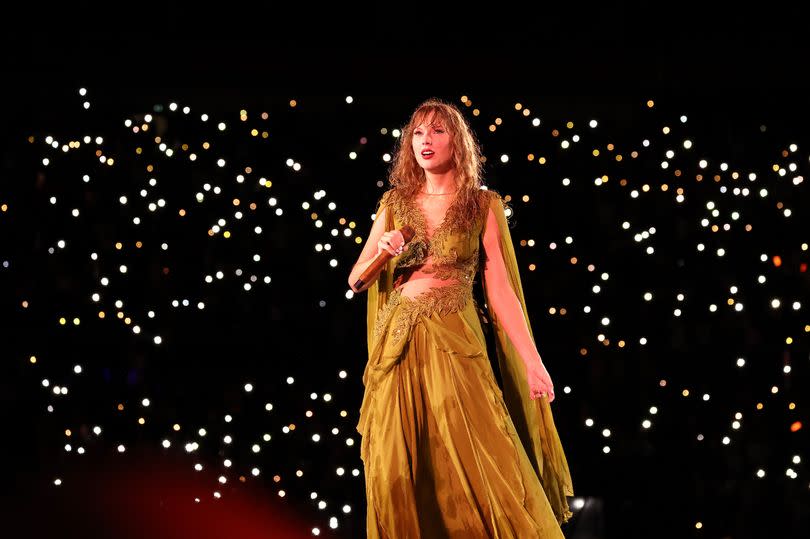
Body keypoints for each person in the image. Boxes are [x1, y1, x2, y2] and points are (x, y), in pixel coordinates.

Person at [349, 98, 574, 537]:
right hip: (399, 345)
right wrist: (383, 251)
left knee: (482, 452)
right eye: (417, 133)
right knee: (397, 461)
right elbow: (356, 279)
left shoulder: (482, 205)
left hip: (456, 339)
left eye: (436, 131)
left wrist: (533, 362)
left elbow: (501, 289)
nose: (424, 141)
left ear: (459, 142)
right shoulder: (395, 203)